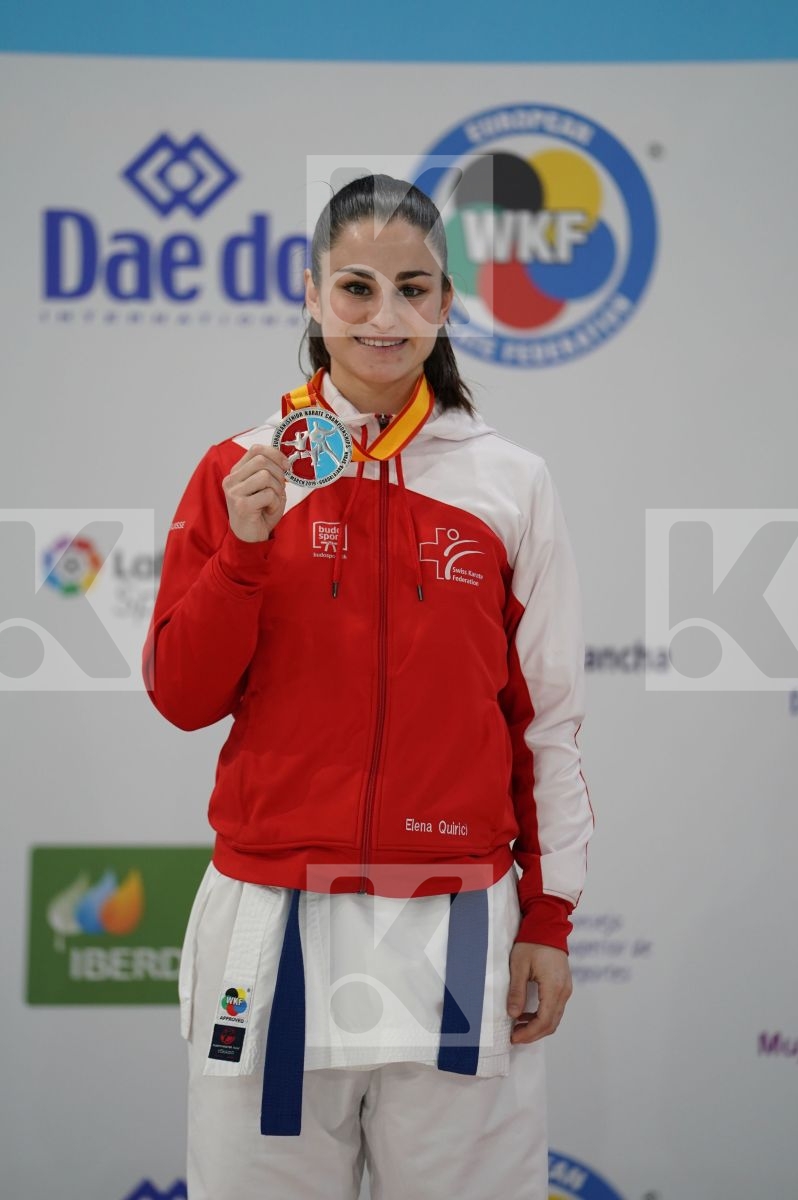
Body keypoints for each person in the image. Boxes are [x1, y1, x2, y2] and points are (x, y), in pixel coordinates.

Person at [142, 173, 593, 1200]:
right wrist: (245, 553)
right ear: (310, 297)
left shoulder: (507, 479)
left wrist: (549, 918)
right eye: (355, 287)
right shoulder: (241, 466)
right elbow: (179, 694)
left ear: (444, 304)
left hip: (456, 925)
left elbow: (545, 721)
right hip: (269, 920)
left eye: (412, 288)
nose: (383, 317)